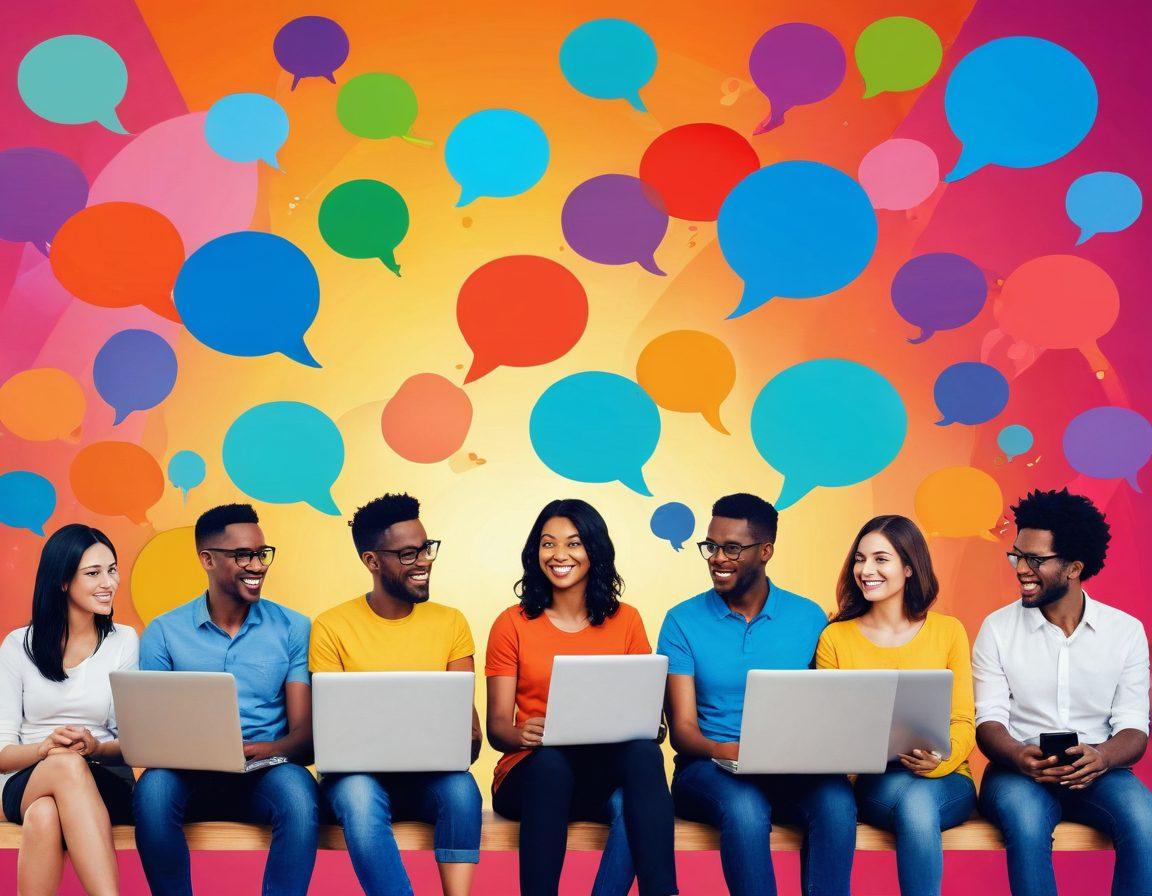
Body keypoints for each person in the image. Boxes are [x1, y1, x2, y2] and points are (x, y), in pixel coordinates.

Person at [658, 492, 856, 896]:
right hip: (710, 769)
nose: (717, 558)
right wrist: (726, 749)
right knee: (745, 810)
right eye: (711, 546)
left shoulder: (809, 617)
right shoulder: (681, 621)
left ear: (765, 551)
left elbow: (823, 709)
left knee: (837, 803)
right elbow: (681, 730)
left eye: (732, 548)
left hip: (791, 768)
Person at [486, 499, 678, 896]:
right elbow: (497, 727)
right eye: (547, 543)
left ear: (595, 549)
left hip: (599, 774)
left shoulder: (627, 620)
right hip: (532, 775)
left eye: (573, 544)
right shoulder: (511, 623)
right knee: (552, 762)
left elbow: (645, 711)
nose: (559, 555)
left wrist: (642, 720)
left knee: (645, 754)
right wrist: (522, 733)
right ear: (534, 551)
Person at [133, 503, 319, 896]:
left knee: (300, 797)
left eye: (261, 554)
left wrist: (266, 748)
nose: (257, 565)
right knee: (152, 791)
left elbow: (304, 736)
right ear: (208, 559)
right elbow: (150, 735)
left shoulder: (294, 627)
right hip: (188, 776)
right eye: (243, 556)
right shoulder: (163, 633)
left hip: (266, 771)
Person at [973, 488, 1152, 896]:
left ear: (1073, 567)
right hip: (1018, 772)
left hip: (1100, 770)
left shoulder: (1125, 632)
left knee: (1145, 822)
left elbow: (1133, 729)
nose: (1020, 568)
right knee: (1026, 823)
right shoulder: (997, 630)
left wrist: (1101, 757)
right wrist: (1019, 755)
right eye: (1016, 555)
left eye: (1035, 560)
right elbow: (989, 721)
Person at [310, 493, 482, 896]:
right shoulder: (331, 626)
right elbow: (330, 734)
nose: (424, 561)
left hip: (430, 779)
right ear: (372, 561)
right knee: (358, 795)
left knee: (462, 791)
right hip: (356, 780)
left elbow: (468, 731)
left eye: (426, 548)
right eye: (408, 554)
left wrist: (466, 737)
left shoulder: (451, 622)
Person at [815, 515, 976, 896]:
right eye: (859, 559)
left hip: (948, 778)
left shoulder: (948, 631)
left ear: (908, 567)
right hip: (876, 782)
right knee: (915, 808)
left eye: (880, 559)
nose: (865, 570)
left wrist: (941, 759)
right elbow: (830, 729)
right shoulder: (835, 637)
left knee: (920, 803)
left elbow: (963, 720)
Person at [0, 524, 138, 896]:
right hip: (25, 778)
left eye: (112, 569)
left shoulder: (123, 641)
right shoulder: (17, 646)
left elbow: (131, 745)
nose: (108, 582)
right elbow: (2, 755)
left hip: (104, 778)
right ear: (62, 581)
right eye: (93, 573)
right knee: (62, 764)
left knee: (44, 816)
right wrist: (44, 749)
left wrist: (93, 746)